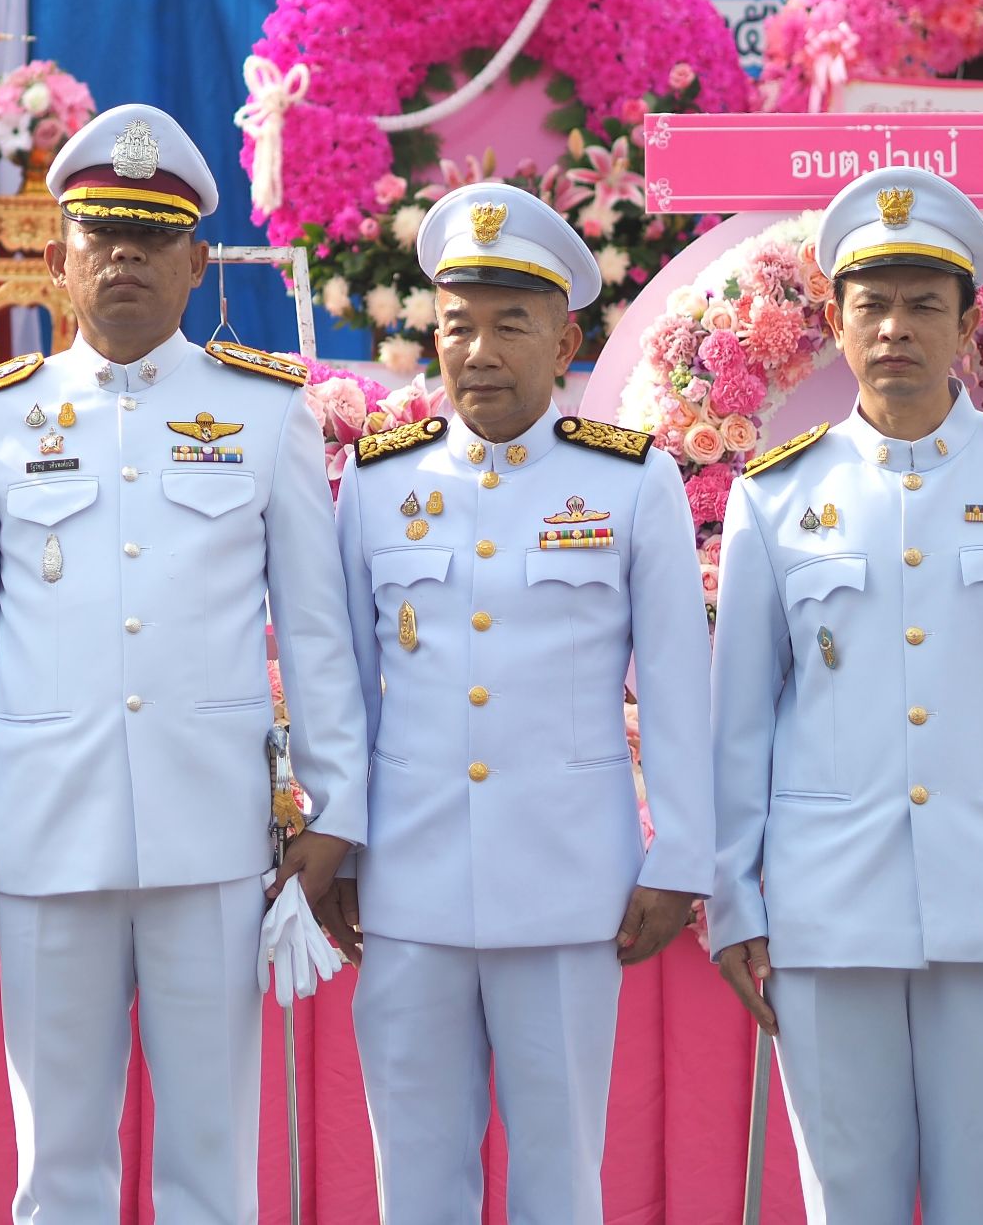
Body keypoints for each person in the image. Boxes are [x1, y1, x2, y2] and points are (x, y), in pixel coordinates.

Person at [0, 102, 369, 1225]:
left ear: (195, 259)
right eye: (101, 235)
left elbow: (313, 635)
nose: (124, 259)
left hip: (204, 832)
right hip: (43, 831)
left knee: (210, 1165)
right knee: (56, 1164)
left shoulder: (265, 415)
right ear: (60, 252)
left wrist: (339, 808)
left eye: (151, 238)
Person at [707, 166, 983, 1224]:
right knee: (847, 1201)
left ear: (967, 323)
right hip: (826, 905)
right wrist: (735, 898)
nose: (896, 326)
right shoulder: (777, 496)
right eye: (873, 303)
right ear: (835, 320)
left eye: (922, 304)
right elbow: (740, 725)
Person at [333, 183, 711, 1224]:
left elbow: (679, 688)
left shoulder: (634, 484)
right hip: (407, 886)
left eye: (512, 324)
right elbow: (347, 692)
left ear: (565, 340)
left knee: (559, 1175)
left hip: (567, 888)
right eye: (459, 326)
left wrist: (680, 854)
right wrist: (336, 839)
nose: (482, 352)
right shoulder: (373, 484)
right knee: (415, 1175)